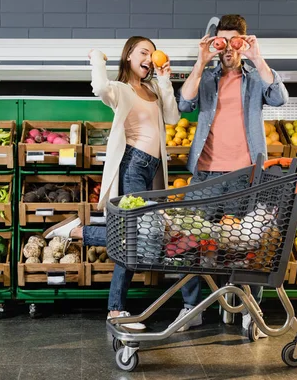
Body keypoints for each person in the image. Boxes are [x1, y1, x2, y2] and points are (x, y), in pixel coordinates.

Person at [43, 36, 190, 331]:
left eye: (152, 53)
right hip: (133, 166)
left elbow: (173, 117)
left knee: (136, 237)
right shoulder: (121, 90)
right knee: (135, 237)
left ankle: (77, 232)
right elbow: (99, 87)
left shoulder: (152, 89)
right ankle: (115, 309)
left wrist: (164, 79)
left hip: (152, 170)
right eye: (143, 52)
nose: (150, 58)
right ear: (128, 57)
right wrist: (97, 58)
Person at [175, 14, 289, 335]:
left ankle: (249, 310)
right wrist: (200, 61)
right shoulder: (207, 76)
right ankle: (192, 308)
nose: (227, 48)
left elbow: (280, 98)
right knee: (190, 241)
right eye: (221, 42)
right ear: (215, 43)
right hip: (206, 175)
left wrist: (257, 57)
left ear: (243, 42)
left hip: (246, 174)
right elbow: (184, 104)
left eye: (234, 41)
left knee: (248, 245)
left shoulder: (254, 76)